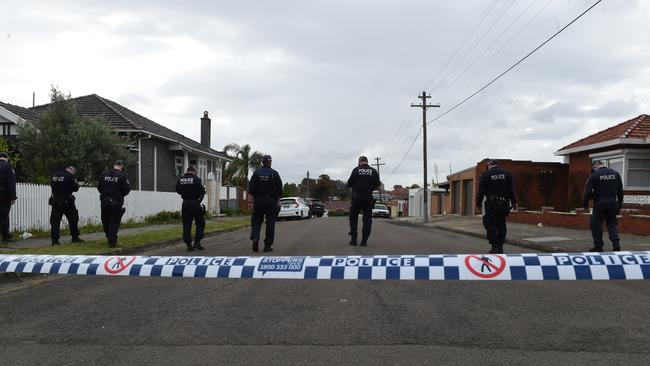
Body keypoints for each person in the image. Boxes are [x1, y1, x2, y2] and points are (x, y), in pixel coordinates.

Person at [476, 159, 517, 254]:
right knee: (501, 223)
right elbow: (511, 190)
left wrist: (478, 205)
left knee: (490, 224)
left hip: (491, 204)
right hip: (503, 204)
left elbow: (481, 192)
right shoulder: (506, 173)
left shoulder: (485, 175)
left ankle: (494, 247)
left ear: (489, 166)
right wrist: (514, 203)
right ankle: (501, 246)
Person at [583, 160, 624, 252]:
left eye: (593, 169)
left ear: (595, 167)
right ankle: (615, 242)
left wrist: (585, 203)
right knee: (612, 222)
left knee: (596, 224)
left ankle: (598, 246)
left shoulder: (594, 175)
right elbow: (620, 190)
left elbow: (588, 192)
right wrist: (620, 204)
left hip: (600, 202)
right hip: (613, 202)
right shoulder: (615, 173)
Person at [248, 155, 282, 252]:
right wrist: (278, 201)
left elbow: (251, 190)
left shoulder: (256, 173)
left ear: (262, 162)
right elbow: (279, 189)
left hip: (258, 201)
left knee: (256, 221)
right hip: (271, 201)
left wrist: (251, 202)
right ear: (270, 162)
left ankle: (255, 238)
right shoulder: (274, 173)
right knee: (270, 223)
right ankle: (267, 246)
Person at [347, 156, 380, 246]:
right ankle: (364, 241)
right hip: (368, 196)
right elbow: (378, 184)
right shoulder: (373, 171)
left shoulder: (356, 170)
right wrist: (370, 187)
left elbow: (349, 183)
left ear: (359, 162)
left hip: (357, 196)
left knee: (353, 218)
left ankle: (354, 239)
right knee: (367, 220)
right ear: (367, 162)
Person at [97, 160, 131, 248]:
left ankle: (109, 237)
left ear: (114, 165)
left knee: (106, 221)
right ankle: (112, 242)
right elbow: (126, 190)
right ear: (121, 166)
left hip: (105, 200)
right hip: (116, 201)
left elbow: (99, 187)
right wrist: (119, 194)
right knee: (114, 222)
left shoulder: (104, 174)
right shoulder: (122, 176)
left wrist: (106, 194)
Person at [50, 165, 84, 246]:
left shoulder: (54, 175)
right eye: (74, 172)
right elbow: (76, 188)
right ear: (71, 170)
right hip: (67, 201)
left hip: (55, 201)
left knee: (55, 221)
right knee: (73, 219)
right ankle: (75, 237)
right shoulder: (69, 176)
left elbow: (51, 185)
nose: (74, 173)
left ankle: (54, 240)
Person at [176, 166, 206, 251]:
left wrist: (185, 193)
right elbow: (202, 192)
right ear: (193, 171)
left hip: (185, 203)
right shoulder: (196, 179)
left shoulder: (181, 179)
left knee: (186, 224)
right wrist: (198, 200)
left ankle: (188, 244)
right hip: (195, 203)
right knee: (200, 223)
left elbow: (177, 190)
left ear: (187, 171)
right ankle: (197, 242)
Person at [0, 152, 16, 244]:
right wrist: (13, 197)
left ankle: (6, 235)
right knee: (4, 215)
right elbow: (11, 183)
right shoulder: (7, 167)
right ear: (7, 158)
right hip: (3, 195)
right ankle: (5, 236)